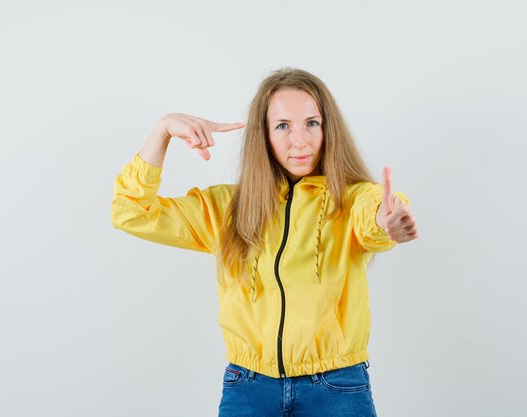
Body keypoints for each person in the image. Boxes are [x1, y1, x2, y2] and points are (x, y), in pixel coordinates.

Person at [111, 67, 418, 417]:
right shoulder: (225, 208)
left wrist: (389, 220)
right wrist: (163, 129)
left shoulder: (351, 200)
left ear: (329, 129)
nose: (299, 141)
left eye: (312, 123)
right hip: (248, 388)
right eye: (283, 126)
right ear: (264, 134)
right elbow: (130, 212)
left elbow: (376, 214)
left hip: (336, 388)